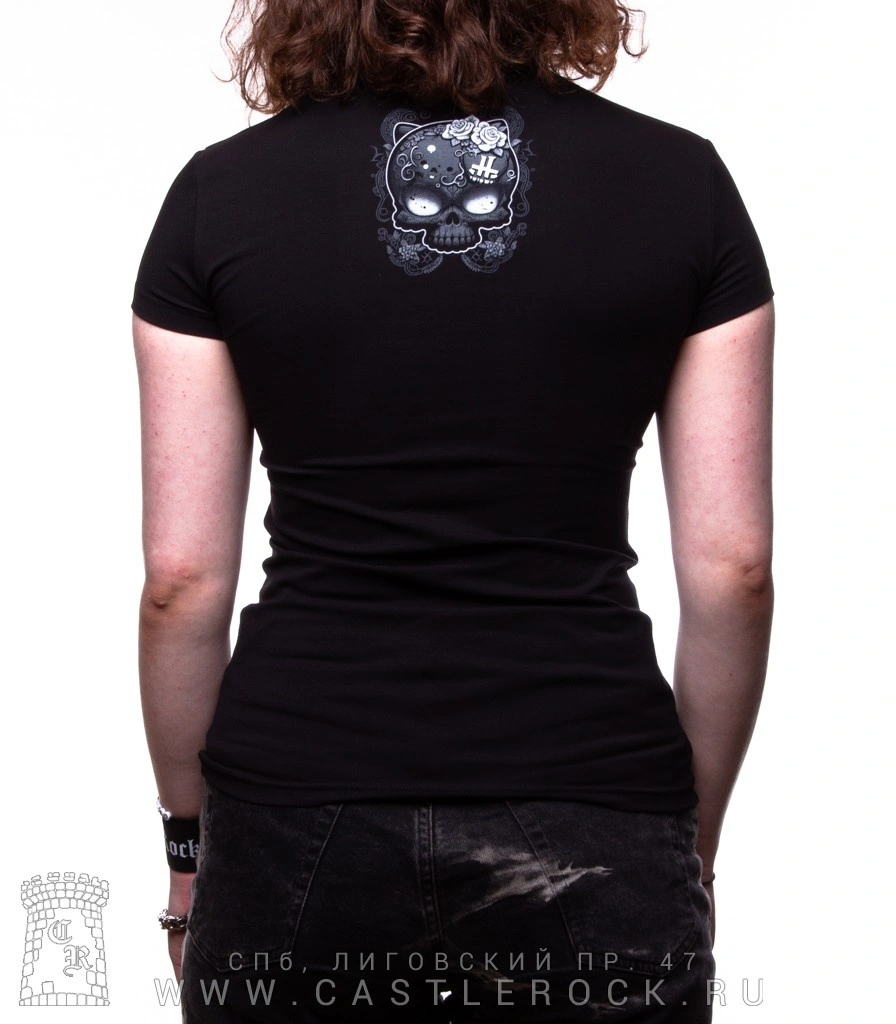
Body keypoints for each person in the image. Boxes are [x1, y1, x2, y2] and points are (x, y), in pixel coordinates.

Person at [131, 1, 775, 1021]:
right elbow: (733, 569)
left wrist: (187, 848)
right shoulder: (680, 184)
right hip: (591, 784)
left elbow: (180, 582)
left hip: (297, 801)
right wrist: (681, 843)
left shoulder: (220, 195)